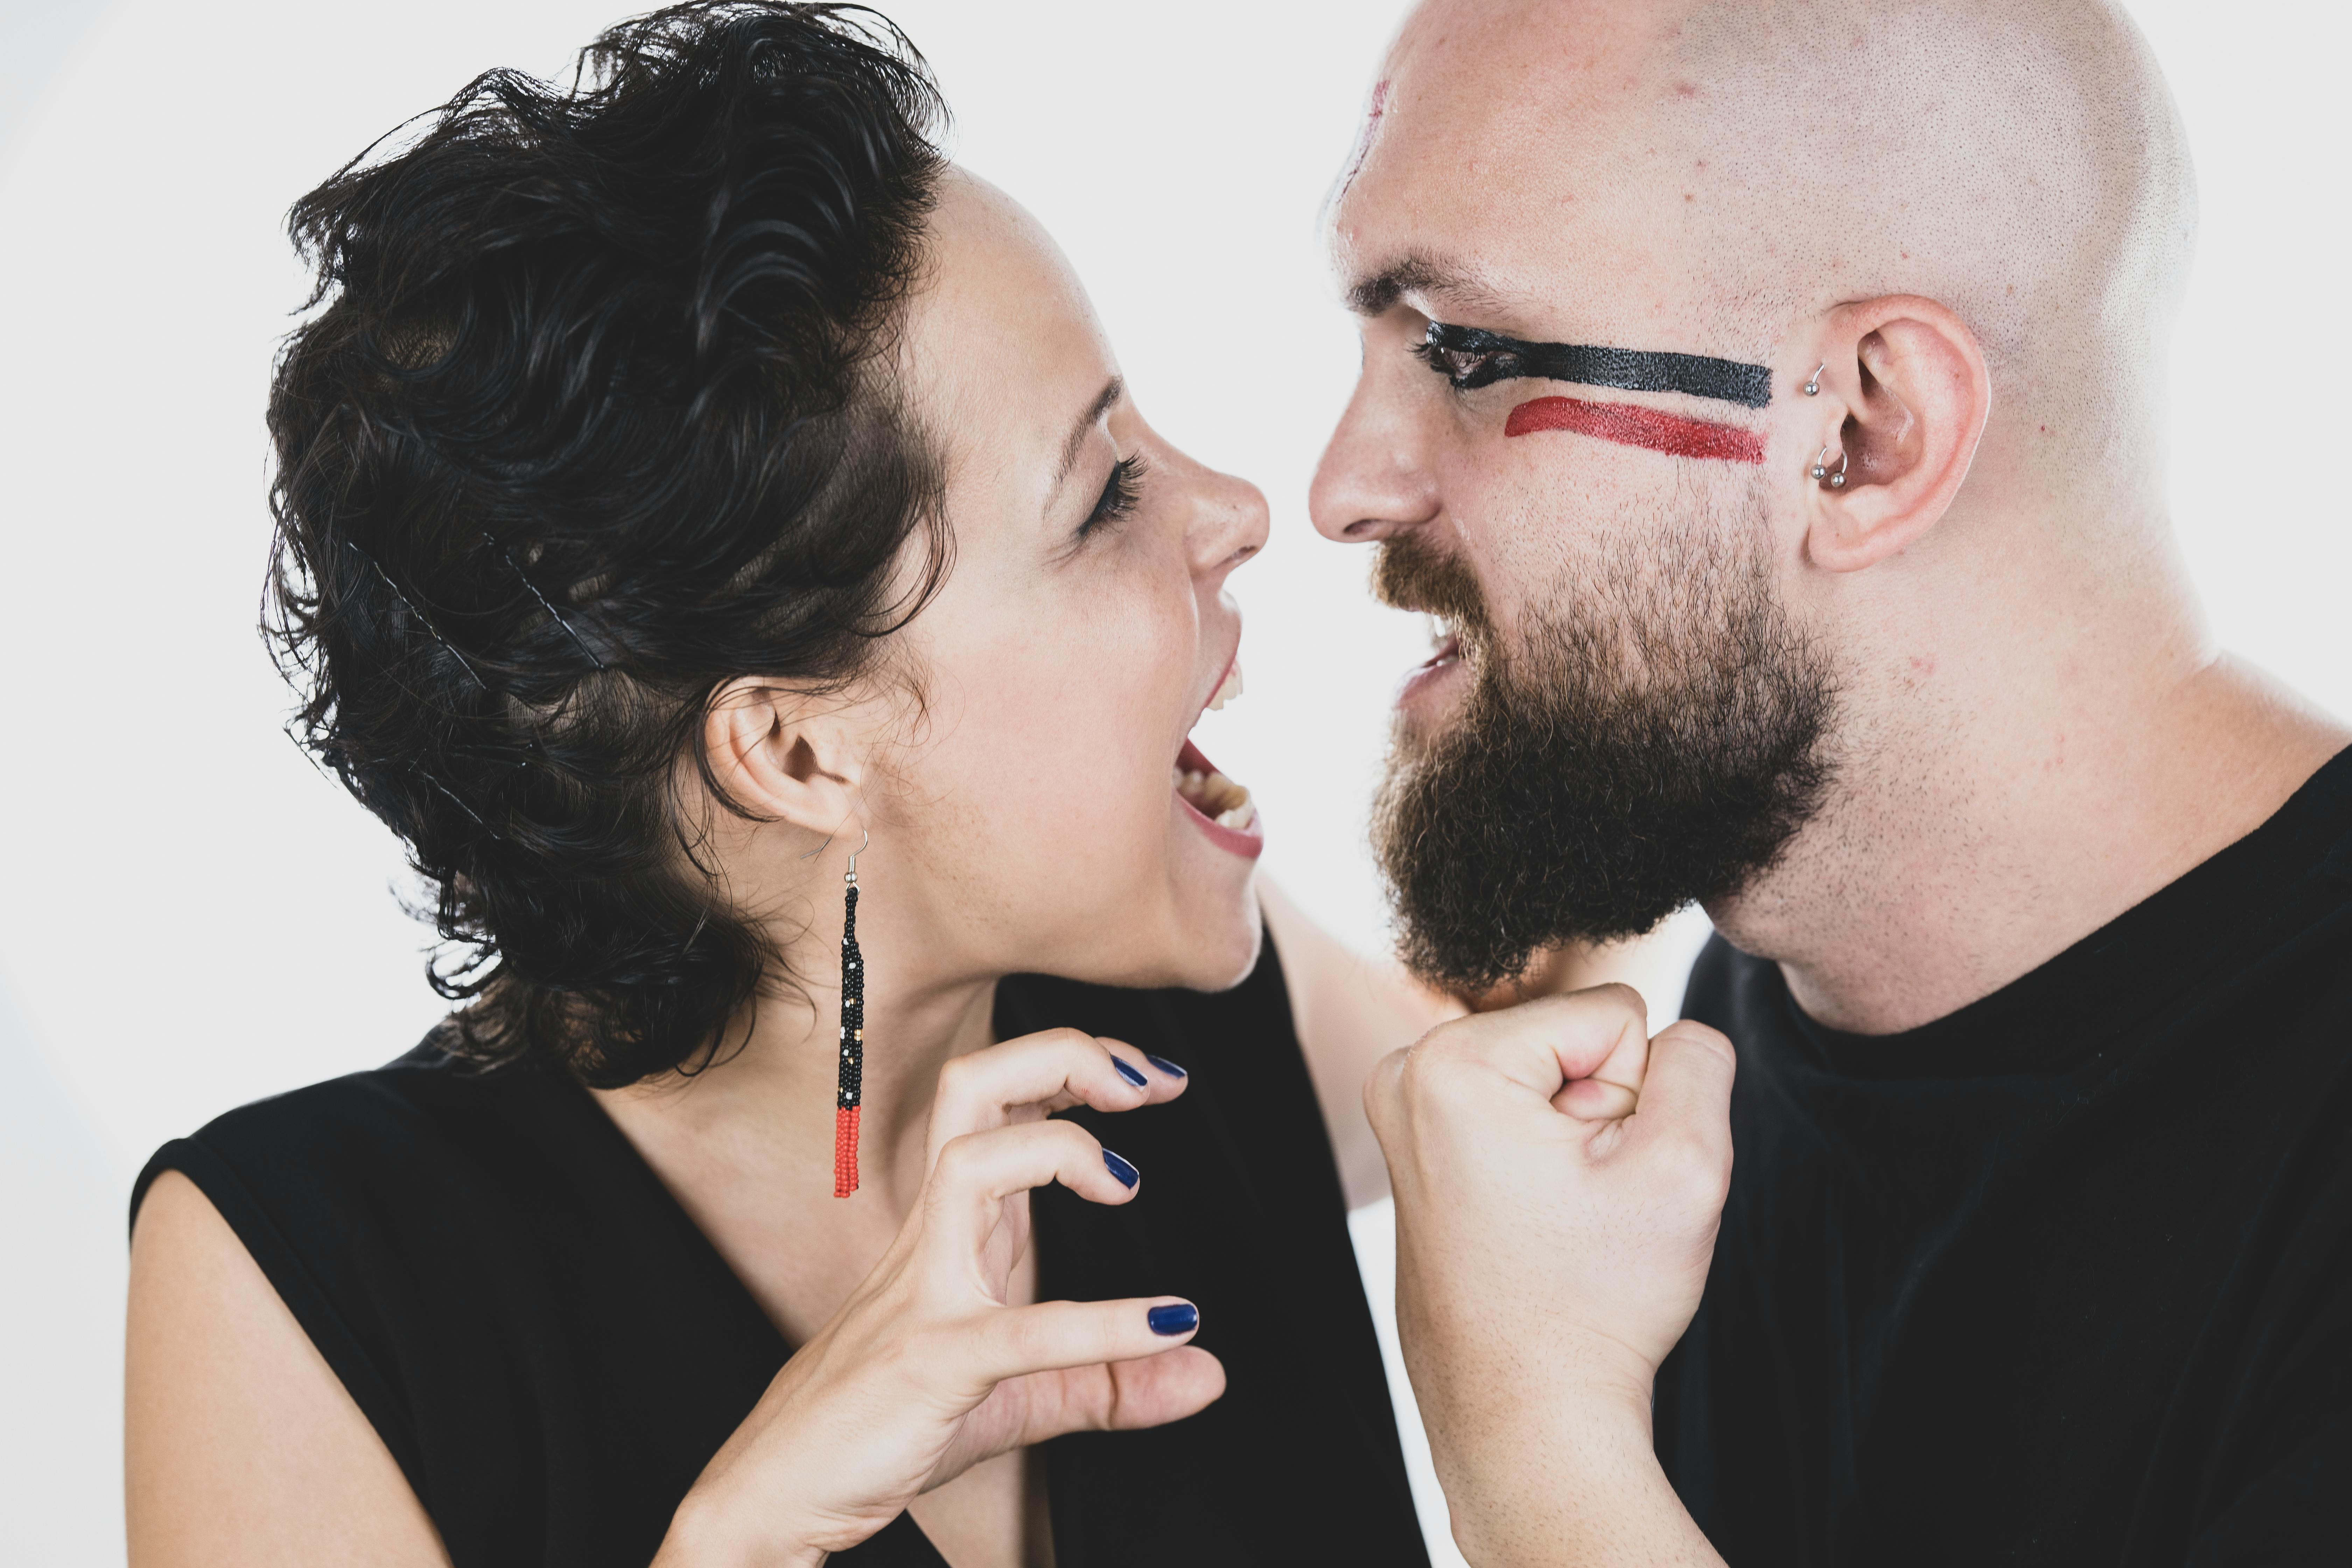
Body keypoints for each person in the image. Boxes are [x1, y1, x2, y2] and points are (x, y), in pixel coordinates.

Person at [124, 7, 1457, 1565]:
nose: (1239, 506)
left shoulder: (1198, 993)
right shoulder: (307, 1282)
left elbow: (1544, 1098)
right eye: (1103, 497)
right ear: (796, 750)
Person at [1313, 0, 2352, 1562]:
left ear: (1863, 435)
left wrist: (1535, 1450)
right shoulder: (1744, 1005)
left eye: (1460, 355)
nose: (1345, 485)